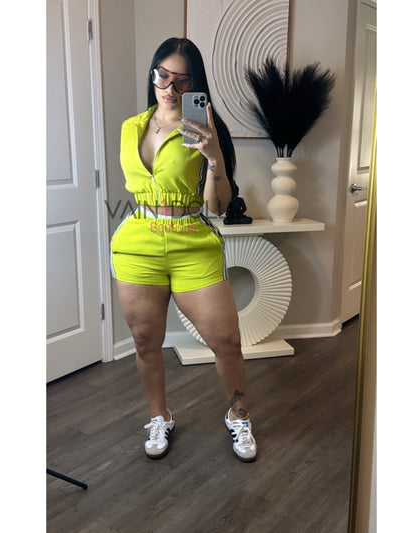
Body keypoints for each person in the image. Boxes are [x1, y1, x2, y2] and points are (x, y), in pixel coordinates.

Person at [110, 37, 257, 462]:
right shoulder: (131, 127)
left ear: (195, 85)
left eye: (182, 80)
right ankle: (159, 416)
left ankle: (238, 415)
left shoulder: (205, 129)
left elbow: (218, 205)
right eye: (163, 75)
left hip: (192, 239)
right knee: (145, 340)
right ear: (153, 74)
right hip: (138, 242)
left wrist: (213, 158)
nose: (170, 88)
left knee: (225, 340)